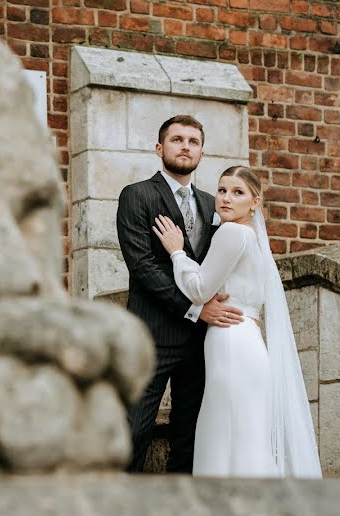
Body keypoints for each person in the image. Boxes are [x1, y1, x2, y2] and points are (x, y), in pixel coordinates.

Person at [152, 165, 322, 477]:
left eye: (238, 192)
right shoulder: (254, 240)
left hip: (229, 340)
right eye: (222, 190)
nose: (226, 198)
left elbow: (201, 288)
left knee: (223, 434)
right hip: (249, 341)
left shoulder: (231, 233)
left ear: (255, 202)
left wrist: (177, 253)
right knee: (246, 436)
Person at [116, 115, 244, 474]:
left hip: (201, 342)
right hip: (152, 335)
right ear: (160, 148)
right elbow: (143, 267)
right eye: (177, 139)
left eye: (193, 141)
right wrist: (195, 309)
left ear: (202, 151)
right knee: (133, 429)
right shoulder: (137, 195)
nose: (185, 146)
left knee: (191, 436)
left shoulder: (211, 203)